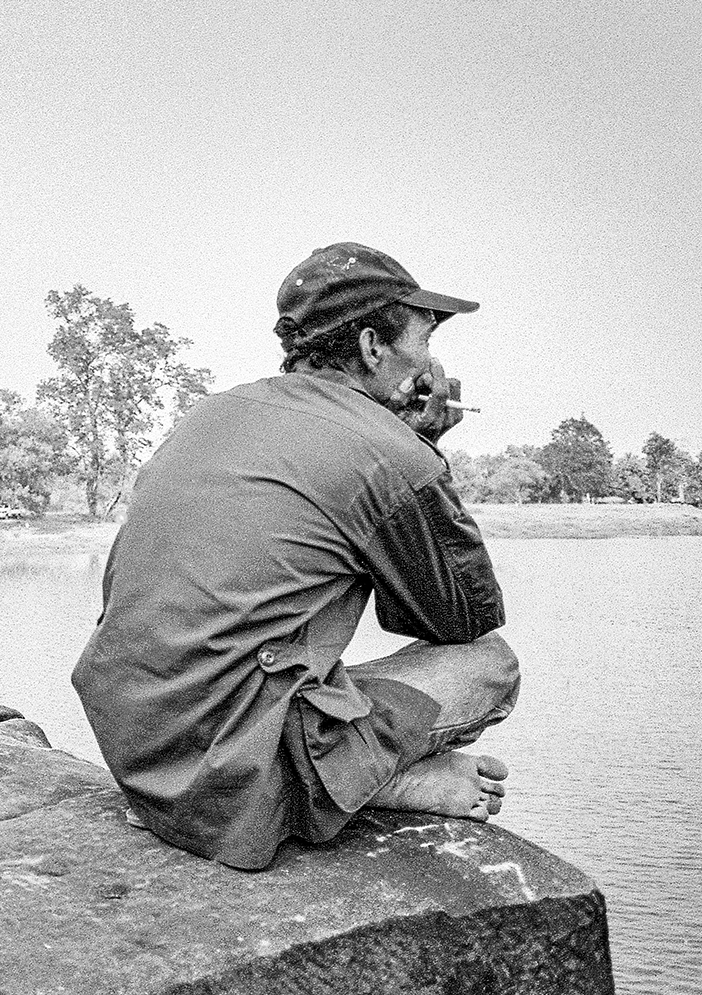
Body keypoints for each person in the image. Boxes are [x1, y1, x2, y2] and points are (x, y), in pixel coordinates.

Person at [72, 242, 519, 871]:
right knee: (489, 664)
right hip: (232, 775)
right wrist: (422, 446)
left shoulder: (212, 414)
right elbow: (460, 621)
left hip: (140, 749)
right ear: (373, 347)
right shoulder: (386, 450)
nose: (430, 362)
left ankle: (336, 771)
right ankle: (348, 784)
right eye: (423, 340)